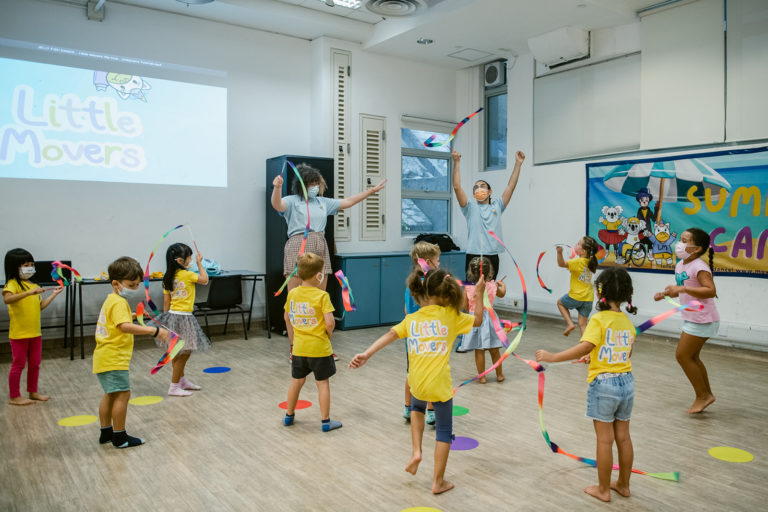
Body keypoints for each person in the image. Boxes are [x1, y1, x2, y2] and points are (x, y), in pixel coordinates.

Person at [349, 267, 484, 494]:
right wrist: (479, 294)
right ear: (447, 293)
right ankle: (438, 482)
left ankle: (416, 451)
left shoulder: (411, 319)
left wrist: (366, 354)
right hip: (439, 385)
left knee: (417, 409)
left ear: (423, 290)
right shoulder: (451, 316)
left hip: (416, 383)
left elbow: (390, 335)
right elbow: (478, 320)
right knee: (443, 431)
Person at [536, 267, 638, 503]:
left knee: (604, 440)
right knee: (623, 437)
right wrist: (596, 355)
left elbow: (585, 346)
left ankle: (603, 489)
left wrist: (553, 356)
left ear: (600, 291)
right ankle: (623, 484)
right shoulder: (626, 321)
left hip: (604, 386)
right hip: (627, 383)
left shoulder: (598, 319)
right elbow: (625, 352)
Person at [271, 163, 386, 293]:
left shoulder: (322, 202)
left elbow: (347, 202)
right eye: (311, 183)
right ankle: (292, 314)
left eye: (316, 183)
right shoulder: (292, 201)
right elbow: (277, 205)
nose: (314, 186)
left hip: (320, 244)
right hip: (298, 245)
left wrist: (370, 191)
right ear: (301, 184)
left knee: (319, 292)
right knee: (295, 293)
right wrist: (277, 187)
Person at [94, 257, 171, 448]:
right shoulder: (119, 302)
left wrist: (136, 315)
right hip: (114, 357)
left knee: (110, 394)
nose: (135, 288)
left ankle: (106, 433)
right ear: (115, 283)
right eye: (131, 284)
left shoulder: (112, 299)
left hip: (104, 356)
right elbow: (123, 326)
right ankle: (120, 437)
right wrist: (155, 331)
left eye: (137, 285)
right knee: (122, 394)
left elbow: (117, 320)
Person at [654, 227, 718, 414]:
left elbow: (710, 290)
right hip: (694, 317)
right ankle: (706, 394)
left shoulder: (699, 267)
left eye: (684, 240)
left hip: (703, 319)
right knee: (691, 357)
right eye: (680, 239)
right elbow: (683, 286)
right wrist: (665, 293)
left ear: (697, 248)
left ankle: (703, 396)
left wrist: (681, 290)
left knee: (682, 356)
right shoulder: (682, 264)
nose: (679, 244)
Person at [282, 253, 342, 432]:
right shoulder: (322, 296)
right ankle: (325, 422)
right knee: (322, 383)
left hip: (300, 348)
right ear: (318, 275)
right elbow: (330, 322)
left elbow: (287, 317)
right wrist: (328, 334)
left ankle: (289, 416)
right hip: (319, 349)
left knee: (296, 382)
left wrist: (293, 340)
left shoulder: (292, 293)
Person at [3, 248, 63, 406]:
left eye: (31, 264)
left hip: (35, 333)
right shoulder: (12, 284)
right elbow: (7, 299)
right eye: (25, 264)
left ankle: (33, 391)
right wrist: (29, 293)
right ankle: (14, 396)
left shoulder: (33, 284)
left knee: (35, 364)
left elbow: (40, 306)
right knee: (18, 365)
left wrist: (53, 294)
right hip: (19, 334)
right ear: (14, 267)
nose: (30, 267)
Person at [451, 149, 525, 274]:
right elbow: (457, 187)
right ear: (474, 194)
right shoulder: (469, 207)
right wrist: (456, 162)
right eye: (476, 187)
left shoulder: (497, 206)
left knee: (490, 290)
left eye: (482, 186)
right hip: (473, 255)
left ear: (490, 192)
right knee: (473, 291)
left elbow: (510, 186)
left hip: (492, 255)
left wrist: (518, 164)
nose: (479, 189)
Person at [151, 243, 210, 397]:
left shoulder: (167, 277)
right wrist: (199, 263)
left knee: (179, 351)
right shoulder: (187, 275)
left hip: (172, 316)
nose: (190, 259)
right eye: (189, 257)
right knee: (183, 352)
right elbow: (204, 279)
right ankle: (174, 386)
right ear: (179, 260)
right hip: (184, 317)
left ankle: (181, 380)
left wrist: (166, 322)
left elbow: (166, 302)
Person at [402, 241, 440, 424]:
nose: (438, 264)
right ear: (427, 262)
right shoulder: (429, 285)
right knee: (430, 374)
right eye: (436, 260)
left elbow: (405, 310)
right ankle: (431, 410)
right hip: (427, 337)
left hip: (412, 337)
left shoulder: (411, 284)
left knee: (412, 372)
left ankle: (408, 408)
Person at [457, 256, 506, 383]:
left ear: (471, 272)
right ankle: (499, 375)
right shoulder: (492, 285)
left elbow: (465, 304)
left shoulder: (468, 287)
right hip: (490, 319)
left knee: (479, 350)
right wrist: (502, 285)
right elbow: (502, 293)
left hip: (476, 318)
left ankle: (482, 377)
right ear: (489, 272)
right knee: (495, 350)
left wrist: (469, 314)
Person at [556, 236, 599, 337]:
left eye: (578, 244)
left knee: (560, 303)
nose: (576, 244)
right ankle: (586, 348)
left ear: (583, 251)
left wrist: (559, 252)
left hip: (576, 296)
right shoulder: (591, 263)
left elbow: (561, 264)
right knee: (583, 324)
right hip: (588, 298)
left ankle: (570, 324)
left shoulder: (577, 262)